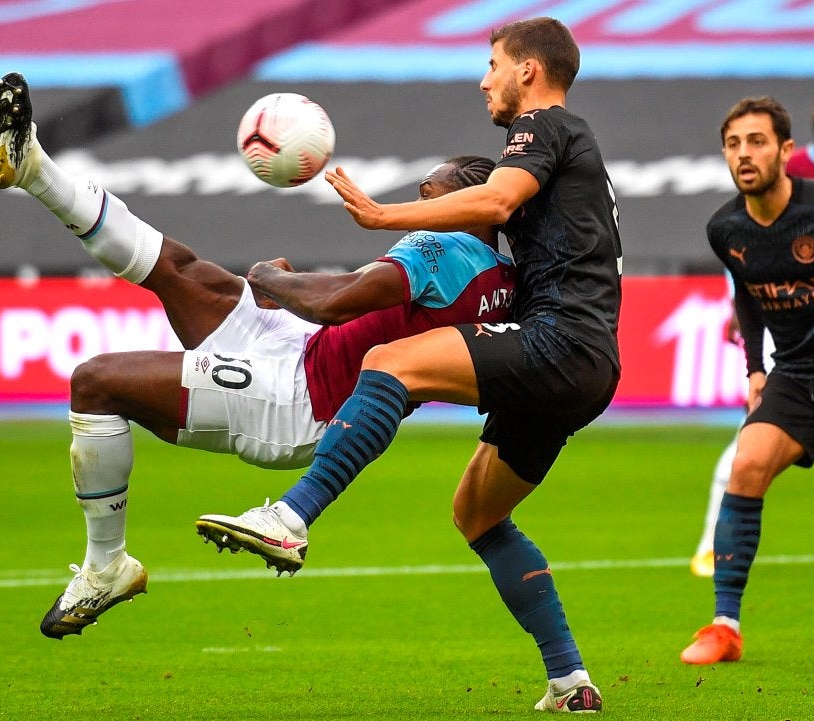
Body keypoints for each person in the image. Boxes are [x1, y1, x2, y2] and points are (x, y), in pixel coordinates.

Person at [0, 73, 516, 640]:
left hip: (297, 400)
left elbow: (332, 304)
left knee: (94, 383)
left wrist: (271, 278)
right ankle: (33, 166)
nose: (415, 206)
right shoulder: (501, 278)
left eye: (428, 194)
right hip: (301, 350)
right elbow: (355, 301)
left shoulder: (443, 245)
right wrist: (291, 291)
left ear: (468, 201)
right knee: (179, 269)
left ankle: (104, 565)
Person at [196, 17, 621, 714]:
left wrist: (381, 214)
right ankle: (570, 679)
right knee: (478, 514)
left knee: (390, 360)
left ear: (527, 72)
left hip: (562, 340)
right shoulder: (578, 153)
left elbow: (496, 198)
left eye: (492, 64)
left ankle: (291, 518)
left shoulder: (545, 126)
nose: (484, 79)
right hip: (588, 359)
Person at [680, 95, 814, 665]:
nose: (744, 154)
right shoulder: (725, 229)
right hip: (798, 376)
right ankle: (724, 628)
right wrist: (756, 370)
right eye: (734, 144)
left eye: (757, 141)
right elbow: (748, 295)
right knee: (746, 464)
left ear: (786, 150)